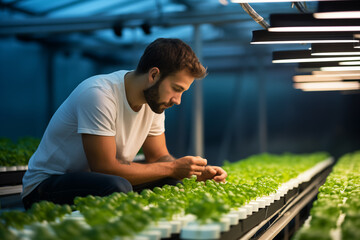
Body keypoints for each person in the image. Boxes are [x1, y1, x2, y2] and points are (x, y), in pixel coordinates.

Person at [22, 38, 227, 210]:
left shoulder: (154, 102)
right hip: (45, 186)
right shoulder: (99, 94)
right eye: (176, 88)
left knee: (170, 182)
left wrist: (194, 174)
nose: (177, 100)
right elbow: (104, 168)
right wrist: (173, 167)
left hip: (99, 181)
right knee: (116, 186)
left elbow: (158, 157)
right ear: (154, 75)